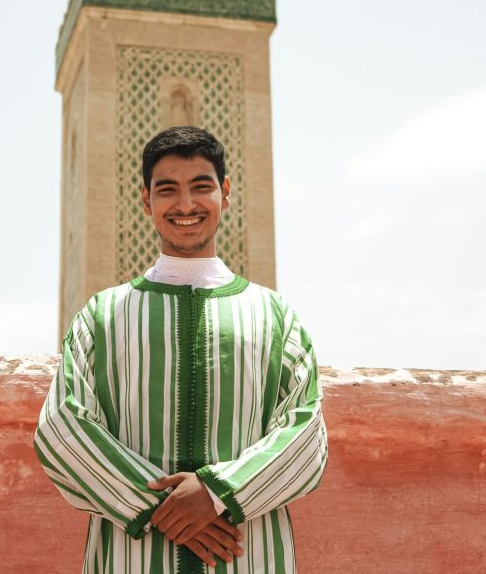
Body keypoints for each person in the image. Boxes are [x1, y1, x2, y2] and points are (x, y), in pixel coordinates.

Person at [34, 126, 328, 573]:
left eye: (201, 187)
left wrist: (217, 492)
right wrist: (160, 507)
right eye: (168, 190)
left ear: (225, 194)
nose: (186, 205)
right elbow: (61, 427)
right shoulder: (103, 316)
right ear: (146, 200)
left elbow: (306, 437)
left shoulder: (274, 315)